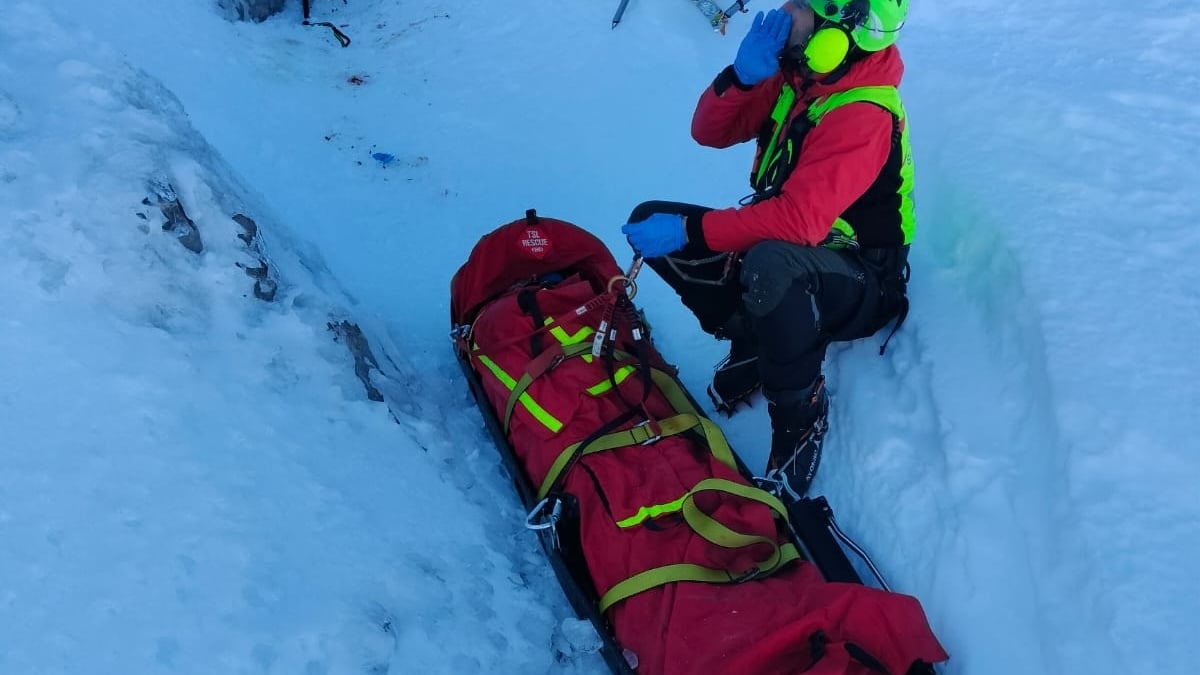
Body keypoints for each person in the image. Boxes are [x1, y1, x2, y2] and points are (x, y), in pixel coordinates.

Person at [620, 0, 914, 502]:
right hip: (799, 248)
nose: (782, 10)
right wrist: (741, 76)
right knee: (656, 218)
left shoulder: (863, 111)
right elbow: (710, 132)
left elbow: (797, 221)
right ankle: (758, 345)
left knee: (767, 261)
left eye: (798, 5)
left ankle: (800, 416)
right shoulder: (800, 78)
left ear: (836, 33)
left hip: (863, 279)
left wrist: (693, 231)